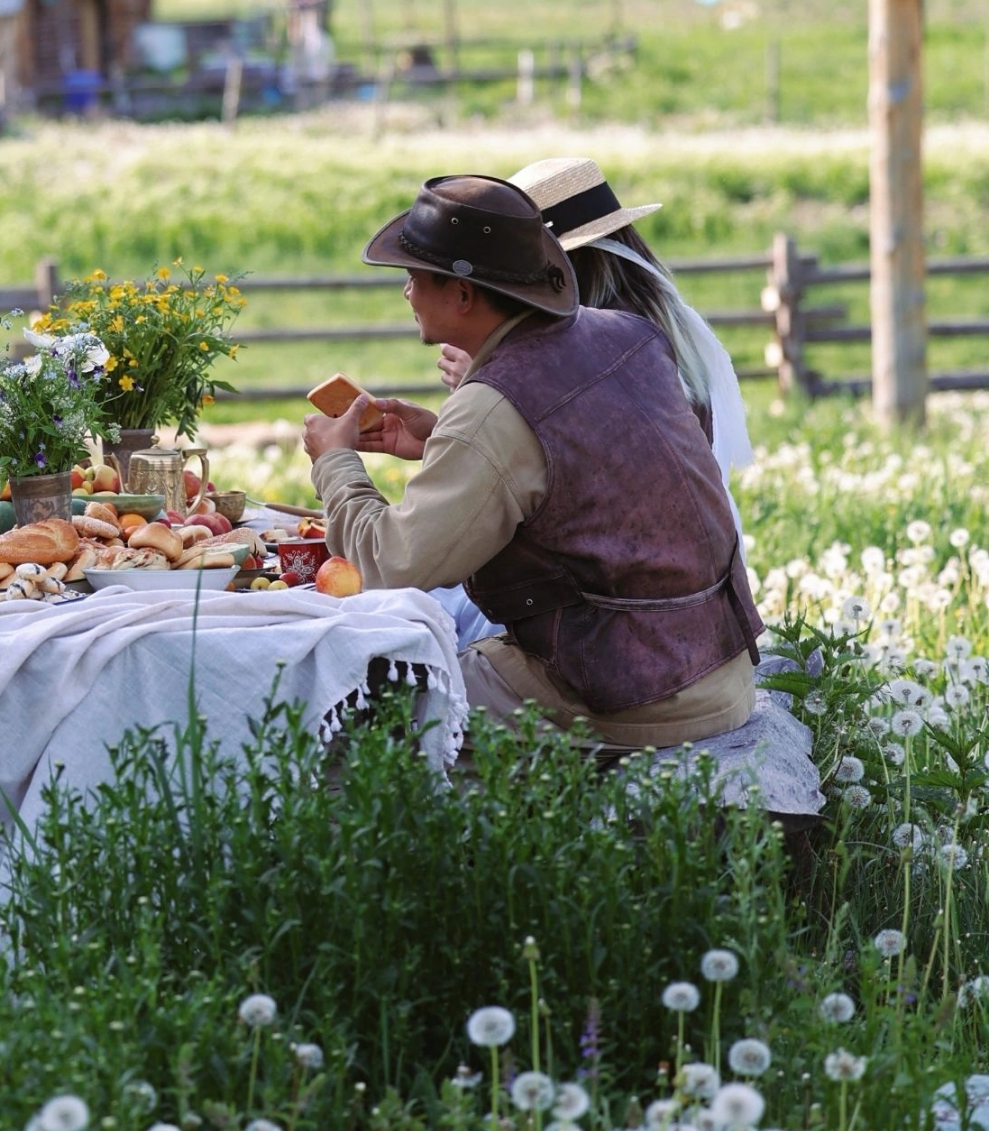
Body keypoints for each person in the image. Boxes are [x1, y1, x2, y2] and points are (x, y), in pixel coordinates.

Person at [302, 175, 762, 758]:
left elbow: (392, 565)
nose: (407, 294)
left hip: (625, 696)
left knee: (349, 707)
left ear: (464, 295)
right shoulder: (627, 334)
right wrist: (441, 434)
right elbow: (569, 461)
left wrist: (336, 462)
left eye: (414, 278)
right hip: (717, 673)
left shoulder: (492, 405)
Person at [436, 156, 753, 491]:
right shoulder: (652, 316)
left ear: (566, 262)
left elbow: (587, 461)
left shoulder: (617, 337)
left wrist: (492, 384)